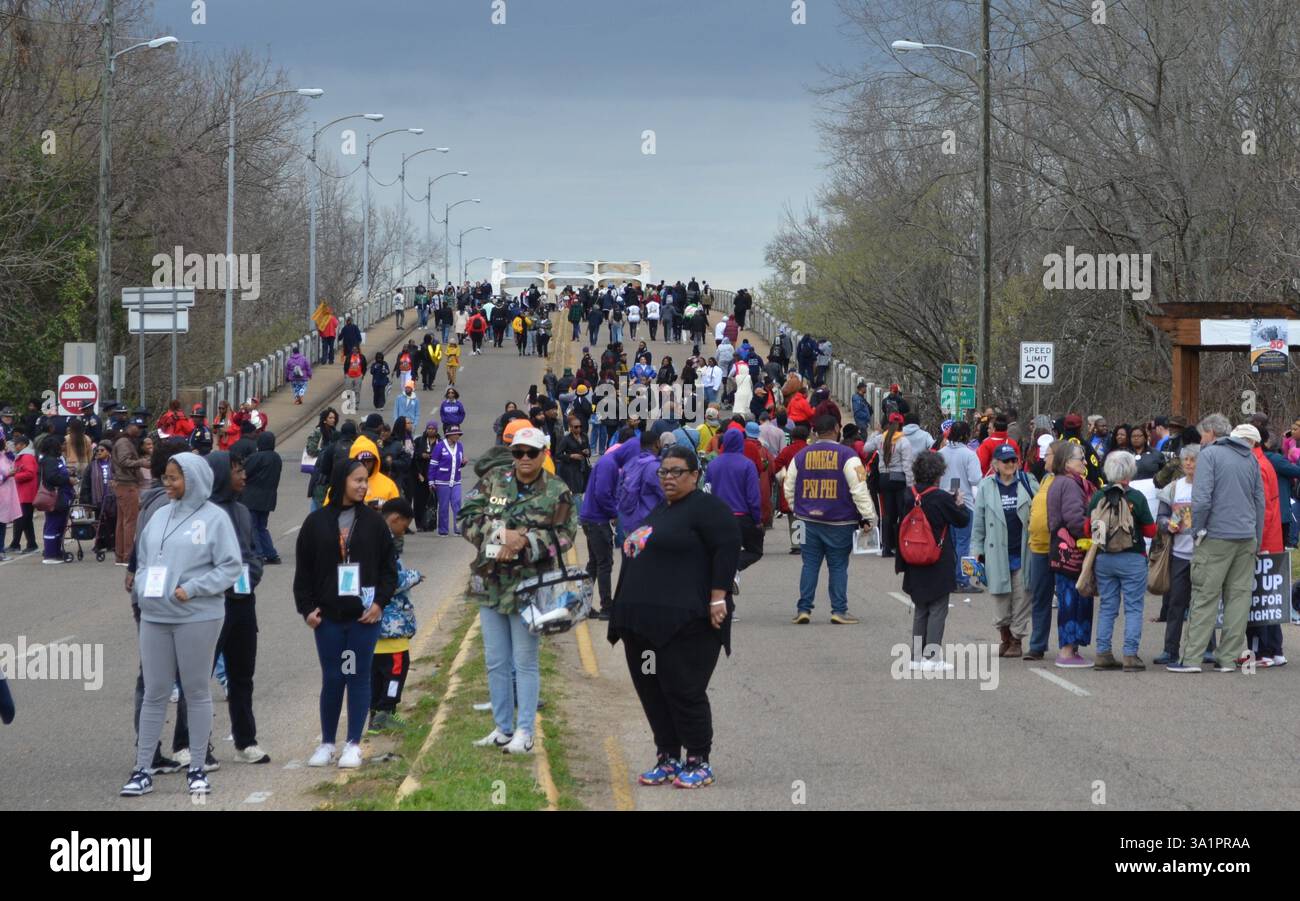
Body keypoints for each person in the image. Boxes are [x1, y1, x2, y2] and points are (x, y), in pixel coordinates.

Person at [609, 445, 741, 789]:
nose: (668, 478)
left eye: (677, 471)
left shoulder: (708, 510)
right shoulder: (663, 510)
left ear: (695, 475)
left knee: (684, 689)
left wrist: (718, 599)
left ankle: (698, 759)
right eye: (663, 472)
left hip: (687, 624)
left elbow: (726, 550)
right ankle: (667, 756)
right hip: (643, 627)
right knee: (652, 691)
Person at [121, 453, 243, 798]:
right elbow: (143, 560)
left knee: (196, 690)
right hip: (155, 615)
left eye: (175, 477)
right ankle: (142, 769)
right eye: (166, 477)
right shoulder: (159, 515)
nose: (168, 483)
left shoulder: (214, 519)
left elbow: (230, 567)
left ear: (194, 479)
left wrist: (192, 589)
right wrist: (145, 589)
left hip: (198, 615)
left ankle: (197, 769)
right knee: (155, 692)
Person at [460, 428, 578, 755]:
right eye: (518, 452)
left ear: (544, 453)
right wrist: (501, 536)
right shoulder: (495, 479)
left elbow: (566, 535)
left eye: (531, 452)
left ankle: (525, 732)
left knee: (524, 660)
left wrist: (526, 542)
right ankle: (502, 729)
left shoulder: (557, 491)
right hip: (491, 584)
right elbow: (467, 517)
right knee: (496, 661)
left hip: (531, 586)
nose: (524, 459)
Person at [294, 458, 398, 768]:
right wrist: (307, 610)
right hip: (327, 619)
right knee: (334, 676)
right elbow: (304, 572)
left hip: (363, 619)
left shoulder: (374, 522)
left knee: (356, 675)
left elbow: (388, 570)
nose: (363, 486)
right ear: (341, 481)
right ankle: (327, 743)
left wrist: (379, 603)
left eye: (365, 480)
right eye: (357, 480)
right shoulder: (316, 523)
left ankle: (353, 743)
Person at [1168, 418, 1264, 673]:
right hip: (1246, 538)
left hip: (1216, 537)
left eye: (1202, 435)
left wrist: (1198, 529)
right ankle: (1228, 658)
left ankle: (1191, 659)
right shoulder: (1250, 458)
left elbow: (1201, 499)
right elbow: (1259, 501)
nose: (1200, 441)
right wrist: (1257, 537)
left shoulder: (1210, 455)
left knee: (1204, 597)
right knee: (1239, 599)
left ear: (1211, 433)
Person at [206, 452, 269, 763]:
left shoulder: (243, 511)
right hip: (212, 605)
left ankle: (246, 741)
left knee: (242, 675)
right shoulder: (203, 514)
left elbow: (254, 551)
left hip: (244, 603)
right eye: (237, 470)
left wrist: (252, 573)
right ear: (219, 475)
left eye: (244, 469)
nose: (243, 475)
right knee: (198, 678)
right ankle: (191, 744)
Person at [784, 415, 877, 624]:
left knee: (809, 564)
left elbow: (789, 486)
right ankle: (839, 610)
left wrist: (797, 509)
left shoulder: (800, 456)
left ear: (815, 432)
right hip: (840, 522)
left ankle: (803, 609)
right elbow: (860, 489)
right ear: (836, 428)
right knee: (837, 566)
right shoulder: (849, 456)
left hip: (806, 520)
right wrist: (868, 516)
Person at [896, 451, 971, 668]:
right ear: (938, 473)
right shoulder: (940, 498)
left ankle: (916, 656)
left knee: (921, 606)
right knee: (938, 606)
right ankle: (932, 656)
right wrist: (959, 503)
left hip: (912, 556)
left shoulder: (908, 494)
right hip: (938, 557)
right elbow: (962, 520)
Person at [1084, 451, 1156, 671]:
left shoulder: (1098, 496)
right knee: (1133, 607)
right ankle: (1130, 655)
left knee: (1107, 607)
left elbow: (1088, 529)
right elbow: (1151, 531)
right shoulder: (1136, 497)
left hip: (1105, 558)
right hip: (1132, 558)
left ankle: (1103, 652)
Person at [970, 444, 1038, 657]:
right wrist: (976, 549)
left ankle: (1017, 639)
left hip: (1024, 549)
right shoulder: (986, 486)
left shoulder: (1028, 482)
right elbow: (979, 520)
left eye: (1013, 460)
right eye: (1005, 461)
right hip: (996, 551)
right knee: (1000, 597)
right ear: (995, 464)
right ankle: (1005, 635)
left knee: (1023, 597)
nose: (1010, 464)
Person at [369, 498, 422, 733]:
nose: (404, 532)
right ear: (395, 519)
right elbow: (391, 579)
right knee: (396, 673)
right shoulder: (385, 544)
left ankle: (374, 717)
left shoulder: (367, 537)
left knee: (375, 676)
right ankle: (387, 712)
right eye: (404, 526)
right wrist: (415, 576)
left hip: (373, 626)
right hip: (393, 625)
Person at [1046, 440, 1097, 667]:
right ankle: (1067, 651)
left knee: (1075, 597)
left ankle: (1072, 649)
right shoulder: (1068, 484)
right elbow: (1074, 519)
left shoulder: (1065, 482)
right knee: (1071, 598)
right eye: (1080, 458)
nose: (1085, 462)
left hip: (1068, 551)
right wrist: (1094, 529)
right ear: (1067, 462)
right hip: (1071, 552)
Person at [1154, 444, 1199, 666]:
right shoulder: (1174, 487)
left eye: (1194, 459)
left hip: (1202, 554)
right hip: (1179, 553)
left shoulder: (1208, 487)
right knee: (1176, 603)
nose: (1189, 463)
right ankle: (1170, 649)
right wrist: (1166, 524)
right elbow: (1160, 517)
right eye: (1186, 460)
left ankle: (1206, 648)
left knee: (1201, 605)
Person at [706, 428, 763, 586]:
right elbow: (753, 496)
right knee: (755, 550)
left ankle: (725, 574)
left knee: (720, 550)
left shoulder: (713, 464)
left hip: (718, 517)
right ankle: (734, 567)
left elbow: (707, 490)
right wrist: (757, 519)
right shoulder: (747, 464)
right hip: (742, 517)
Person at [938, 421, 984, 594]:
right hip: (964, 502)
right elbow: (975, 479)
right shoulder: (969, 454)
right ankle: (962, 580)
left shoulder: (941, 453)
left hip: (944, 501)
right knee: (964, 543)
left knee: (949, 543)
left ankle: (950, 577)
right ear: (966, 435)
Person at [1023, 440, 1058, 661]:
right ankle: (1037, 645)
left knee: (1065, 597)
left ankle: (1068, 645)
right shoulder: (1045, 478)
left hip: (1058, 547)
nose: (1045, 456)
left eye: (1050, 454)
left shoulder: (1066, 481)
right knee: (1039, 597)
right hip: (1038, 547)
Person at [865, 415, 915, 557]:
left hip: (884, 478)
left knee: (887, 514)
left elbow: (866, 447)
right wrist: (911, 485)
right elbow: (907, 465)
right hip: (899, 478)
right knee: (901, 513)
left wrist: (875, 433)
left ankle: (886, 547)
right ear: (902, 425)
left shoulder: (881, 438)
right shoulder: (904, 441)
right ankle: (900, 547)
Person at [242, 431, 283, 564]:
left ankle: (258, 554)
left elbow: (244, 472)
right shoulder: (276, 458)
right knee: (262, 526)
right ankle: (271, 553)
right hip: (269, 497)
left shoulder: (256, 457)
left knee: (253, 526)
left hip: (252, 497)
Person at [111, 420, 148, 565]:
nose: (139, 430)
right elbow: (124, 461)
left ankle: (121, 556)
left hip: (122, 484)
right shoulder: (124, 442)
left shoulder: (123, 441)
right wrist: (141, 462)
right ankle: (128, 556)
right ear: (129, 426)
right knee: (130, 522)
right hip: (127, 485)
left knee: (122, 522)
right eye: (138, 427)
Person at [37, 436, 75, 563]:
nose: (63, 446)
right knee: (53, 525)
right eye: (60, 444)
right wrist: (67, 479)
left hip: (60, 496)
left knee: (58, 524)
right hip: (56, 497)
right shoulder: (50, 461)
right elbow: (52, 477)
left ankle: (56, 551)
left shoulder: (51, 460)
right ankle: (50, 554)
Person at [428, 424, 466, 536]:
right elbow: (433, 464)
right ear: (449, 435)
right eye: (455, 434)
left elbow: (458, 461)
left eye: (458, 434)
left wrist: (463, 463)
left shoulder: (460, 446)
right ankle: (443, 530)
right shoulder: (439, 446)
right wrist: (431, 481)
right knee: (443, 506)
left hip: (456, 480)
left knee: (457, 503)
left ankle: (458, 528)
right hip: (442, 481)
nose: (457, 436)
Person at [5, 433, 38, 554]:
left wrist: (15, 476)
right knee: (25, 519)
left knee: (22, 519)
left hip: (26, 492)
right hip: (25, 491)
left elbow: (30, 473)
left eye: (17, 444)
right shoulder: (24, 455)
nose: (15, 446)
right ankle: (30, 544)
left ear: (23, 445)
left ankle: (17, 544)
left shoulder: (26, 457)